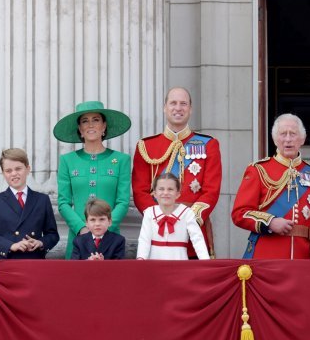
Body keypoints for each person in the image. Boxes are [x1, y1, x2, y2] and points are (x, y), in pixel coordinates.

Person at [132, 87, 221, 258]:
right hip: (158, 232)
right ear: (165, 108)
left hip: (193, 232)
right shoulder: (146, 147)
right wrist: (159, 217)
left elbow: (211, 190)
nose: (178, 108)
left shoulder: (209, 145)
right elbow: (139, 191)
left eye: (183, 104)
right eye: (173, 103)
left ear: (190, 109)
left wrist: (186, 219)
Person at [231, 113, 310, 259]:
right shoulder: (258, 170)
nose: (288, 139)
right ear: (275, 139)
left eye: (293, 134)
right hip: (267, 256)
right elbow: (239, 213)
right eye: (283, 134)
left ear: (302, 139)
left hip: (302, 258)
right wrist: (270, 222)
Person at [54, 101, 132, 259]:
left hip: (111, 241)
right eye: (85, 121)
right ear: (80, 130)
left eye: (96, 120)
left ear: (104, 127)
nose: (90, 125)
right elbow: (63, 203)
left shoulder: (121, 160)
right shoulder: (67, 160)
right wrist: (82, 228)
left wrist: (104, 227)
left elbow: (123, 201)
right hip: (78, 239)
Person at [0, 148, 60, 259]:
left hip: (34, 261)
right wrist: (11, 245)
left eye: (18, 169)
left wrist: (41, 243)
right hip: (6, 262)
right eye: (8, 171)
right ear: (3, 173)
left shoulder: (42, 200)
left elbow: (52, 235)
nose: (14, 174)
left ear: (28, 169)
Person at [136, 173, 210, 260]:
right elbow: (144, 239)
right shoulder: (149, 212)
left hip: (179, 262)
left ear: (178, 194)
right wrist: (141, 258)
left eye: (170, 189)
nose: (165, 192)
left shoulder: (187, 213)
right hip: (154, 263)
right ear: (155, 194)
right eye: (161, 189)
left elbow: (197, 238)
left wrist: (205, 260)